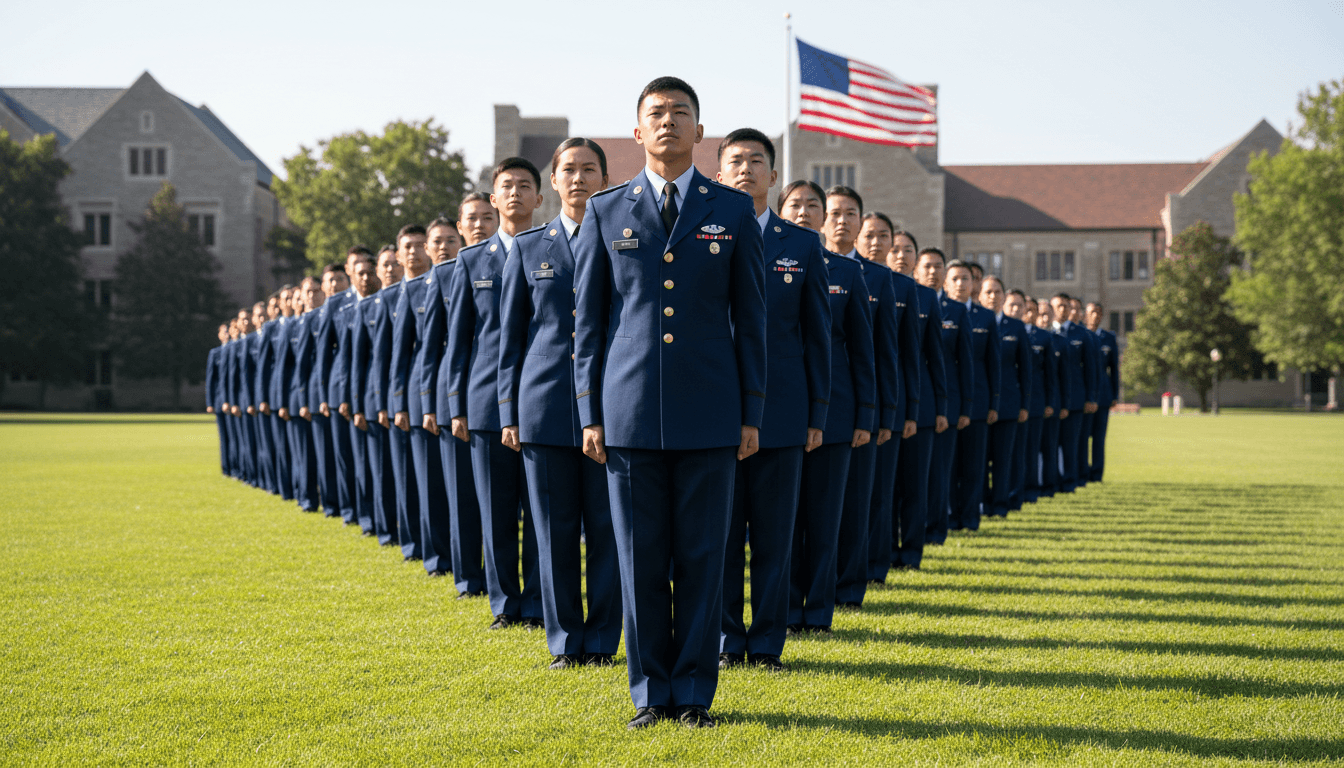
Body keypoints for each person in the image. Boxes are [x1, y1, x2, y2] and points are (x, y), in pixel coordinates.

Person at [572, 76, 766, 730]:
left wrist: (752, 411)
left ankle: (693, 696)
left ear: (699, 132)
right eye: (656, 114)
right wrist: (588, 412)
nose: (668, 123)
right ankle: (651, 694)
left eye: (680, 113)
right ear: (636, 131)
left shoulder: (732, 210)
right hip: (627, 413)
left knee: (705, 560)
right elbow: (589, 323)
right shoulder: (606, 210)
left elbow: (752, 318)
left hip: (712, 412)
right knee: (640, 560)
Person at [499, 137, 623, 669]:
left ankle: (602, 638)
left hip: (610, 404)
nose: (578, 179)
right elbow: (510, 340)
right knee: (552, 531)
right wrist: (508, 413)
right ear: (553, 182)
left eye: (588, 169)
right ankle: (567, 642)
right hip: (546, 403)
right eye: (568, 170)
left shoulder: (625, 237)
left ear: (604, 178)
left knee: (607, 530)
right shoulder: (529, 247)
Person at [713, 129, 830, 672]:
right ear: (719, 173)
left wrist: (817, 414)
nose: (745, 169)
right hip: (712, 407)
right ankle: (726, 638)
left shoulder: (802, 245)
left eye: (756, 161)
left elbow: (816, 336)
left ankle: (765, 643)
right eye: (734, 160)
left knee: (773, 537)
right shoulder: (703, 234)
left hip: (783, 412)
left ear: (773, 175)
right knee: (719, 534)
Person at [448, 159, 546, 627]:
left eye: (524, 186)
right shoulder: (470, 261)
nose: (514, 193)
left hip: (544, 397)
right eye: (505, 186)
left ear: (538, 198)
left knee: (542, 510)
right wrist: (455, 405)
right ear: (492, 199)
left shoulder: (556, 249)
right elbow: (459, 340)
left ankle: (538, 599)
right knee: (498, 509)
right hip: (487, 403)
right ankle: (506, 603)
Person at [788, 185, 873, 635]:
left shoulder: (846, 271)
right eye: (795, 205)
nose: (803, 213)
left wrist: (864, 415)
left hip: (835, 414)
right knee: (781, 522)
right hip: (777, 411)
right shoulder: (761, 260)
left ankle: (817, 612)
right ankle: (783, 608)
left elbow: (862, 351)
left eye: (812, 206)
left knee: (823, 519)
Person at [839, 209, 915, 608]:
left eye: (881, 235)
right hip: (819, 400)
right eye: (870, 235)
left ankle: (868, 568)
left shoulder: (886, 281)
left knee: (871, 495)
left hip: (869, 402)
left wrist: (888, 412)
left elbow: (892, 355)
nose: (875, 242)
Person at [425, 202, 489, 599]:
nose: (480, 225)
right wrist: (444, 403)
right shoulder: (448, 273)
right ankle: (469, 577)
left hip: (518, 397)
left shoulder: (531, 253)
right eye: (472, 219)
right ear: (462, 226)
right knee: (464, 494)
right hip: (466, 396)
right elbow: (438, 348)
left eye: (487, 217)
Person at [886, 233, 947, 572]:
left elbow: (934, 357)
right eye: (895, 249)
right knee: (885, 487)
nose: (900, 255)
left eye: (907, 250)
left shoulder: (926, 297)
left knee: (913, 484)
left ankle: (910, 551)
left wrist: (939, 406)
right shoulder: (874, 284)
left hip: (918, 405)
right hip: (881, 403)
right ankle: (882, 549)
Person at [920, 249, 972, 546]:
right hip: (913, 399)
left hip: (946, 403)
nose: (933, 272)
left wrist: (964, 406)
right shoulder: (907, 299)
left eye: (938, 267)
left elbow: (964, 363)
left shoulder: (956, 310)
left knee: (939, 470)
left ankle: (936, 528)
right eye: (927, 266)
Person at [387, 225, 431, 565]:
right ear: (399, 255)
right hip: (413, 396)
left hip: (444, 395)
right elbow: (396, 355)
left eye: (420, 245)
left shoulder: (441, 282)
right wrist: (397, 400)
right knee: (415, 478)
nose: (415, 252)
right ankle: (420, 544)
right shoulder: (400, 295)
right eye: (408, 247)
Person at [353, 246, 403, 546]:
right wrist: (362, 402)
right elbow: (360, 361)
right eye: (384, 265)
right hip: (376, 399)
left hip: (408, 399)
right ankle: (386, 529)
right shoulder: (368, 307)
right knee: (381, 469)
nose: (390, 269)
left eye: (393, 264)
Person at [946, 259, 998, 533]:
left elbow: (993, 363)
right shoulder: (939, 311)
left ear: (974, 284)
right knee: (950, 465)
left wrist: (993, 403)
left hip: (978, 402)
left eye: (965, 279)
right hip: (948, 401)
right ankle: (951, 517)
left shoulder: (986, 317)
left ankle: (969, 518)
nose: (960, 284)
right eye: (954, 278)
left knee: (973, 465)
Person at [331, 249, 381, 535]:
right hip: (351, 391)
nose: (365, 277)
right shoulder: (339, 306)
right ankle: (360, 513)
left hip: (380, 393)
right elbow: (335, 357)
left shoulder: (385, 300)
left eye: (369, 271)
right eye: (358, 271)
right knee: (356, 460)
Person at [981, 279, 1030, 518]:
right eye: (988, 292)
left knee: (1003, 459)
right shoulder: (973, 320)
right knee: (979, 459)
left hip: (1009, 404)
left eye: (997, 292)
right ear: (979, 295)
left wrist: (1024, 404)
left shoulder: (1016, 327)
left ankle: (1000, 504)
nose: (993, 296)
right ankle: (981, 502)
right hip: (978, 403)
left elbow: (1026, 370)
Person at [311, 265, 351, 518]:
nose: (335, 284)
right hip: (337, 390)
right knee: (342, 456)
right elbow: (323, 357)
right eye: (330, 280)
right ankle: (345, 508)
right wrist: (323, 394)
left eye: (339, 279)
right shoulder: (331, 308)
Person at [1051, 293, 1097, 492]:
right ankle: (1052, 480)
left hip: (1076, 398)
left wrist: (1090, 397)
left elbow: (1090, 369)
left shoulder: (1081, 334)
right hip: (1052, 398)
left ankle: (1070, 481)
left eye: (1066, 306)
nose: (1062, 310)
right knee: (1051, 444)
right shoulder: (1045, 333)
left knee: (1072, 443)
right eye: (1058, 306)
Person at [288, 276, 325, 512]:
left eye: (315, 291)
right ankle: (308, 497)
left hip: (325, 394)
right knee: (305, 453)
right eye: (307, 291)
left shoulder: (329, 315)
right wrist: (300, 399)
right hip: (304, 396)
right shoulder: (294, 325)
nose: (311, 296)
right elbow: (294, 366)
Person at [1019, 296, 1056, 505]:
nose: (1030, 314)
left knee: (1031, 449)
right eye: (1027, 309)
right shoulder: (1009, 332)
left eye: (1034, 310)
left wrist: (1049, 402)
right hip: (1011, 401)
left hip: (1035, 401)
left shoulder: (1043, 337)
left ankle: (1031, 490)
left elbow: (1050, 373)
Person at [1086, 301, 1119, 481]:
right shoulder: (1080, 335)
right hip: (1084, 395)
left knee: (1099, 438)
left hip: (1104, 396)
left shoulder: (1108, 337)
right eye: (1092, 312)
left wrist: (1115, 395)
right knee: (1083, 438)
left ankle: (1097, 474)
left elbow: (1114, 369)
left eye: (1099, 313)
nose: (1095, 316)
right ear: (1085, 314)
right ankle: (1082, 471)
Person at [206, 324, 230, 476]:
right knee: (224, 437)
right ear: (219, 335)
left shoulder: (237, 348)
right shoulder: (215, 353)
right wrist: (210, 402)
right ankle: (226, 468)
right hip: (220, 401)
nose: (227, 334)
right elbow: (211, 380)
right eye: (224, 331)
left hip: (236, 401)